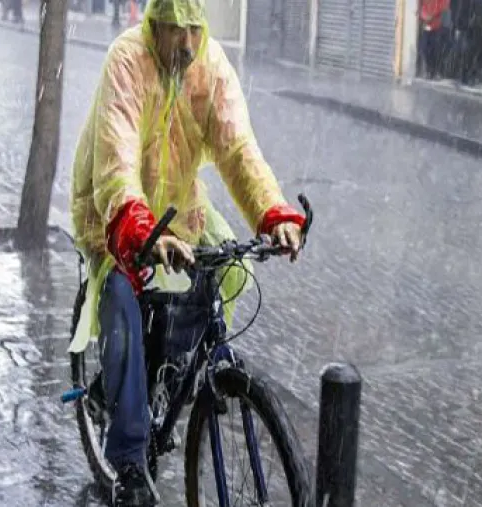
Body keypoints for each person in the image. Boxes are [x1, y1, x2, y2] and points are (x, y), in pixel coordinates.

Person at [67, 0, 306, 505]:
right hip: (113, 208)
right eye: (179, 31)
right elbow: (115, 163)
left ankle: (176, 372)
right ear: (157, 23)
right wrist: (136, 226)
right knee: (123, 304)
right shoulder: (127, 60)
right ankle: (130, 460)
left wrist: (274, 214)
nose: (189, 44)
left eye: (196, 29)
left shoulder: (211, 66)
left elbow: (238, 148)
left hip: (179, 205)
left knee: (231, 270)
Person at [419, 0, 450, 80]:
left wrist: (432, 16)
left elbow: (443, 6)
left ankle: (435, 71)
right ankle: (429, 70)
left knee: (436, 50)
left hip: (437, 26)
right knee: (425, 49)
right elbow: (422, 6)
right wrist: (424, 16)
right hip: (427, 26)